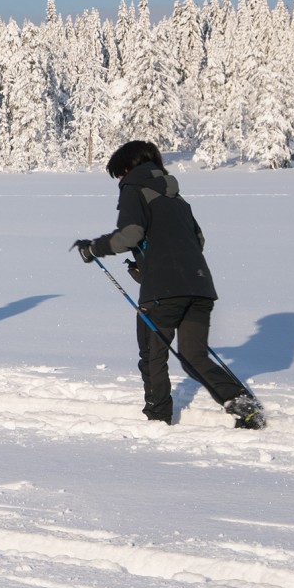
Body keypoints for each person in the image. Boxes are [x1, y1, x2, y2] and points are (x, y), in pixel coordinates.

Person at [72, 140, 264, 429]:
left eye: (119, 173)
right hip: (200, 286)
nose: (120, 180)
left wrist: (93, 248)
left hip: (162, 291)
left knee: (153, 355)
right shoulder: (177, 198)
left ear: (128, 167)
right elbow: (197, 240)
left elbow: (131, 234)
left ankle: (158, 419)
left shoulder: (134, 188)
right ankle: (245, 407)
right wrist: (149, 265)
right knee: (193, 355)